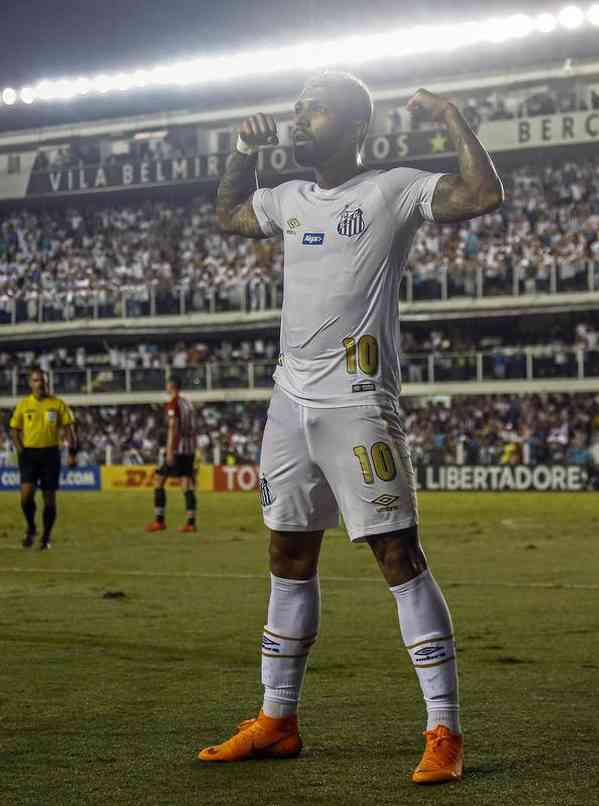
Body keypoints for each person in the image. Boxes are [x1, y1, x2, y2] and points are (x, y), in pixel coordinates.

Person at [197, 72, 503, 785]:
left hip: (359, 402)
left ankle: (444, 731)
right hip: (289, 402)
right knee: (288, 554)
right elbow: (230, 215)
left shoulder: (391, 189)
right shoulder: (289, 199)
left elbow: (482, 195)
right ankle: (277, 719)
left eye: (317, 110)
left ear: (354, 127)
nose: (301, 119)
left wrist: (454, 118)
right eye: (299, 109)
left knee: (398, 555)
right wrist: (242, 151)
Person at [9, 367, 77, 550]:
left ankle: (46, 536)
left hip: (50, 454)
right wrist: (21, 450)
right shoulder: (23, 405)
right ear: (31, 383)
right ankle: (31, 527)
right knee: (25, 497)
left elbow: (69, 429)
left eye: (43, 381)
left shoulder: (57, 404)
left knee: (49, 498)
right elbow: (14, 430)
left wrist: (72, 453)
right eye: (37, 380)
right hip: (29, 454)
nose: (40, 384)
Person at [145, 376, 198, 533]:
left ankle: (159, 521)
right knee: (187, 483)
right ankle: (191, 523)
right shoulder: (188, 403)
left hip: (177, 449)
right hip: (189, 449)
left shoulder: (173, 403)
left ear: (171, 386)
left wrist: (169, 451)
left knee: (159, 480)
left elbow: (172, 427)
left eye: (167, 384)